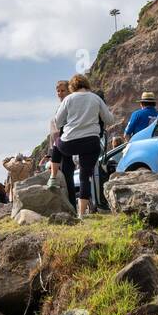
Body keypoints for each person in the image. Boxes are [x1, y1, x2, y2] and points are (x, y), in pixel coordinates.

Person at [51, 74, 115, 218]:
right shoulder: (96, 98)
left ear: (72, 87)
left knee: (56, 144)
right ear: (86, 85)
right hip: (91, 142)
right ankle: (81, 215)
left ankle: (53, 177)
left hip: (70, 142)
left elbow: (58, 121)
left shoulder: (68, 99)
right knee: (85, 177)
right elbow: (110, 119)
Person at [47, 80, 78, 210]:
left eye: (62, 90)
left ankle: (72, 207)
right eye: (58, 91)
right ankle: (68, 206)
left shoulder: (69, 105)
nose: (60, 93)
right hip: (59, 147)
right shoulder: (62, 105)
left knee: (68, 177)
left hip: (67, 145)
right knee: (65, 177)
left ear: (69, 90)